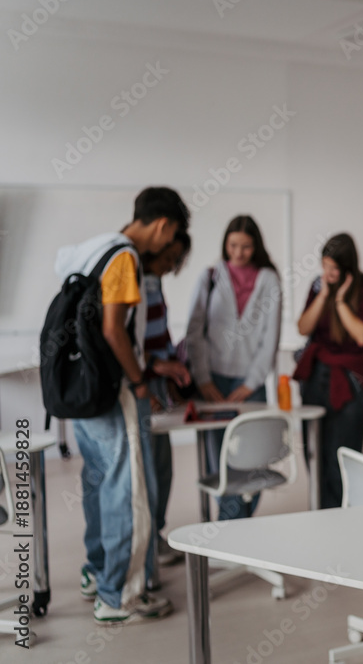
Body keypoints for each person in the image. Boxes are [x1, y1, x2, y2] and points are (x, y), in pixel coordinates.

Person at [55, 186, 189, 624]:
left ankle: (97, 574)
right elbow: (114, 329)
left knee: (98, 482)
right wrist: (139, 381)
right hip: (113, 390)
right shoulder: (125, 257)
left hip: (81, 388)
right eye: (171, 236)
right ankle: (120, 597)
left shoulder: (89, 250)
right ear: (164, 225)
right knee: (128, 491)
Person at [184, 215, 282, 520]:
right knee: (220, 464)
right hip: (212, 382)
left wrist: (251, 383)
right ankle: (231, 526)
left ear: (257, 247)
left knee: (254, 460)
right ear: (225, 244)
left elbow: (270, 337)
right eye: (233, 245)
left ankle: (236, 523)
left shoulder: (269, 280)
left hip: (251, 386)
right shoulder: (210, 276)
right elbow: (194, 331)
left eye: (246, 246)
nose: (238, 253)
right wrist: (203, 379)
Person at [294, 234, 363, 508]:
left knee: (342, 457)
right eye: (324, 266)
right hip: (316, 377)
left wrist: (341, 300)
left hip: (349, 381)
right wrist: (323, 295)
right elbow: (303, 327)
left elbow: (361, 335)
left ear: (347, 267)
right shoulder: (318, 286)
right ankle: (321, 513)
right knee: (315, 456)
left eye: (334, 268)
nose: (328, 273)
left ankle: (343, 514)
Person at [141, 231, 192, 567]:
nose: (172, 265)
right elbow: (127, 341)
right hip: (141, 385)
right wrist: (146, 380)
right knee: (146, 471)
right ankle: (144, 547)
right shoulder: (134, 278)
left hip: (157, 383)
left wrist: (170, 371)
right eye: (169, 257)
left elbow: (160, 333)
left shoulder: (155, 282)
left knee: (162, 468)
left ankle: (155, 536)